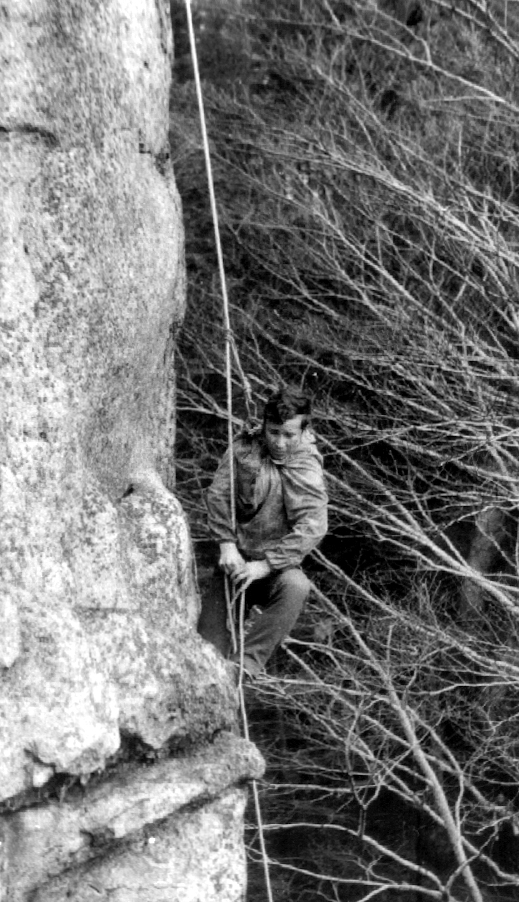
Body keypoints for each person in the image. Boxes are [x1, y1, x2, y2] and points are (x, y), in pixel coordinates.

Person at [198, 387, 328, 677]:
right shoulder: (245, 447)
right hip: (234, 565)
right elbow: (219, 494)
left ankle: (245, 666)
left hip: (274, 570)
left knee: (296, 586)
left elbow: (314, 524)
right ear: (264, 425)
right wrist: (226, 544)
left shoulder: (307, 464)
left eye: (289, 435)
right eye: (273, 432)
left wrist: (267, 565)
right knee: (206, 655)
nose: (279, 443)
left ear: (304, 430)